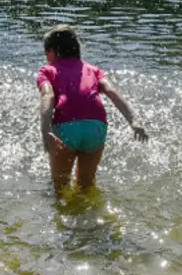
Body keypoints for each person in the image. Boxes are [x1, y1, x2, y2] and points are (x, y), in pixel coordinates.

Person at [37, 25, 149, 192]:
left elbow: (48, 96)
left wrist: (45, 130)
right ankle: (90, 208)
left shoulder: (47, 71)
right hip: (96, 128)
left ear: (52, 52)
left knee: (60, 187)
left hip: (67, 127)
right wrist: (134, 121)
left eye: (46, 53)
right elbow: (112, 91)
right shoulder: (93, 70)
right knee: (86, 184)